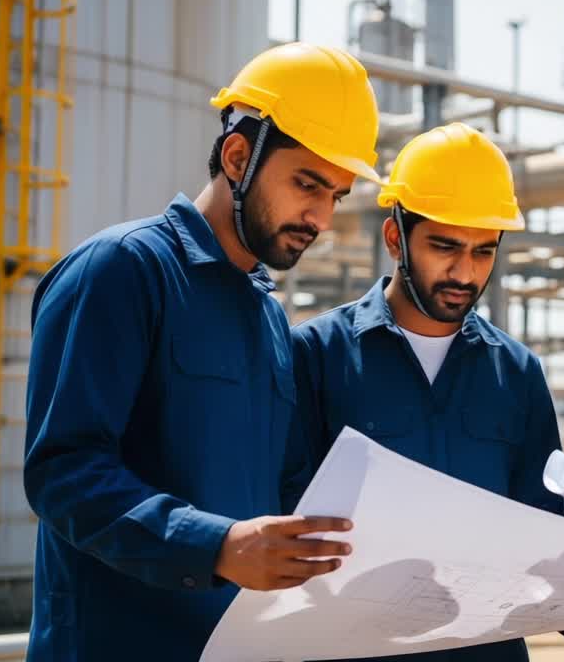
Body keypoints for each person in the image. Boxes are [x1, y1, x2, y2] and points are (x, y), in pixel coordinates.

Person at [23, 42, 381, 660]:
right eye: (307, 184)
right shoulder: (123, 270)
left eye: (337, 195)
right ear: (239, 157)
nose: (321, 216)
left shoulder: (267, 315)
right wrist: (216, 546)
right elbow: (63, 473)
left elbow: (272, 488)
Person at [285, 122, 564, 660]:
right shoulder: (314, 356)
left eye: (484, 251)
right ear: (396, 237)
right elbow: (284, 520)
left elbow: (538, 531)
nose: (464, 273)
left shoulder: (515, 373)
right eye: (444, 246)